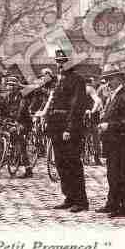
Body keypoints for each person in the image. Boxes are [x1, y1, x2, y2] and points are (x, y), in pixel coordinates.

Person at [46, 49, 88, 212]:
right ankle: (69, 197)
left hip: (69, 129)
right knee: (61, 163)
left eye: (63, 62)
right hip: (56, 128)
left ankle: (80, 200)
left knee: (73, 164)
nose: (60, 64)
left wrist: (70, 129)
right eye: (58, 61)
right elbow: (54, 103)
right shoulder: (59, 80)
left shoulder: (78, 80)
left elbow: (77, 106)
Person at [96, 65, 125, 217]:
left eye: (110, 79)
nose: (107, 83)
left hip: (122, 142)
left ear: (118, 79)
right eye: (106, 80)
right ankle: (112, 203)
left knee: (121, 175)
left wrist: (109, 125)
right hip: (113, 142)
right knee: (112, 174)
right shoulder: (113, 96)